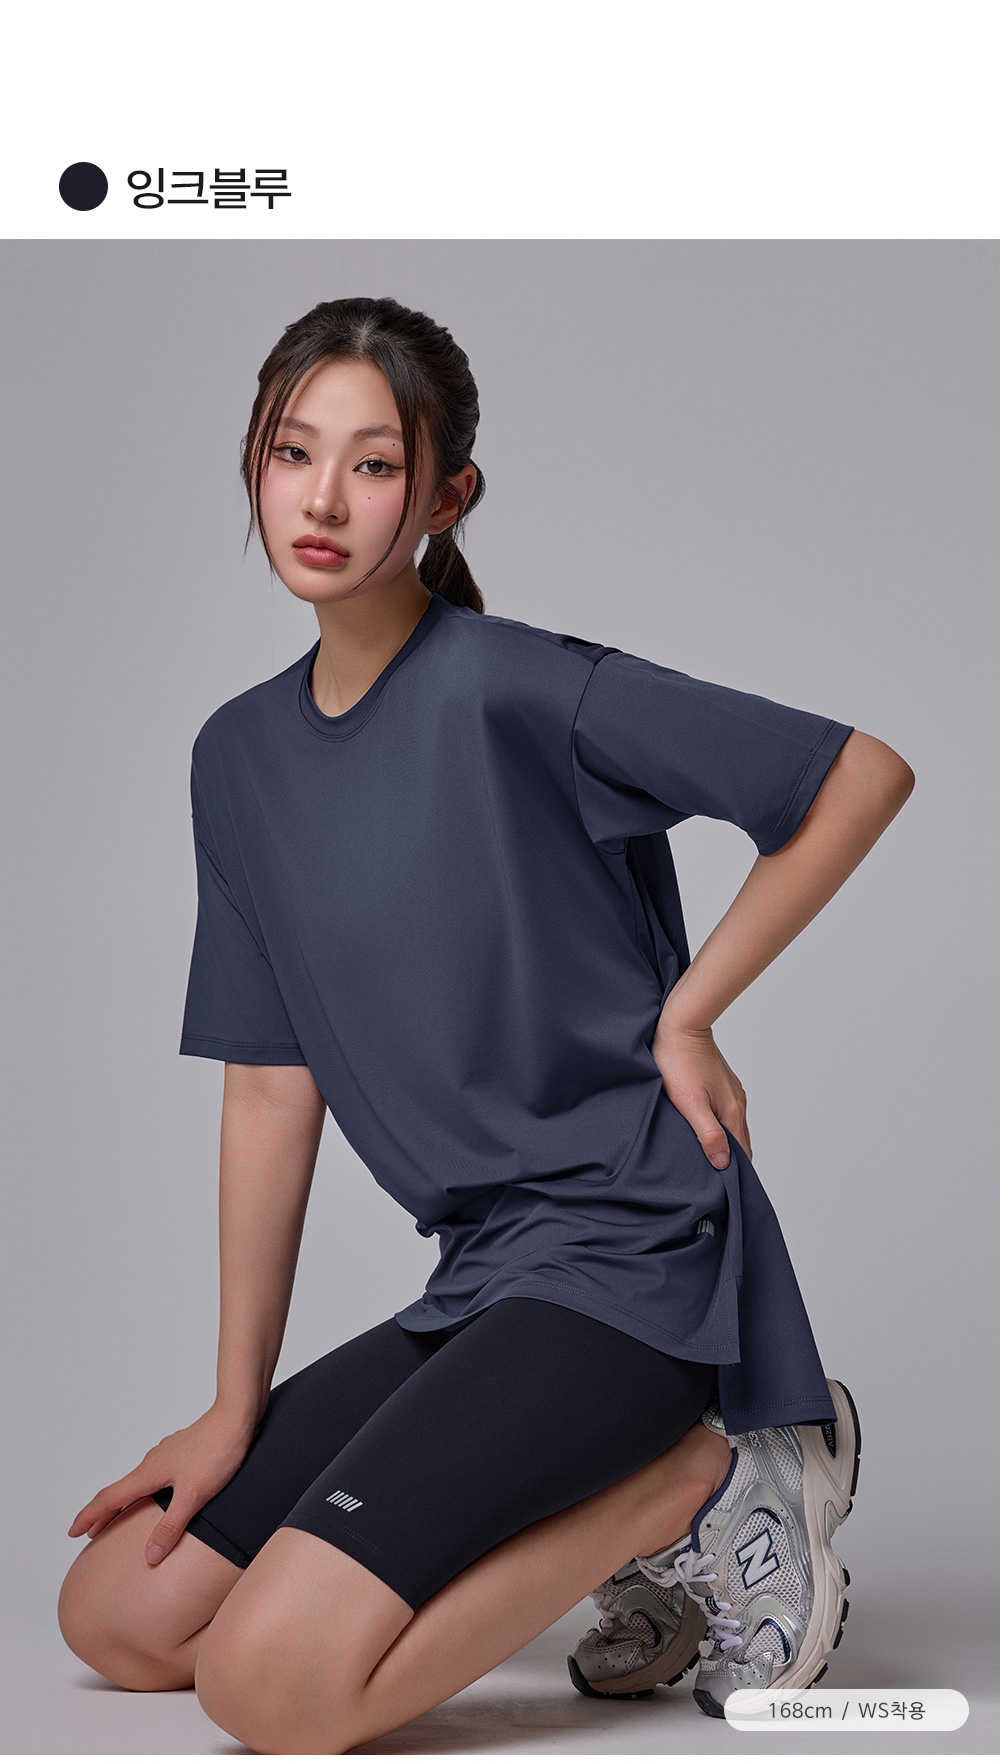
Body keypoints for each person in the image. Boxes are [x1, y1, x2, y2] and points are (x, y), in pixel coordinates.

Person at [57, 295, 912, 1751]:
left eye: (375, 464)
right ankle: (638, 1508)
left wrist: (692, 1013)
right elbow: (270, 1088)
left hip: (632, 1264)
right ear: (253, 466)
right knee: (123, 1615)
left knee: (269, 1689)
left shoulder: (514, 687)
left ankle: (697, 1484)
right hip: (486, 1280)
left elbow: (856, 773)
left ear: (447, 496)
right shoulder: (238, 757)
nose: (323, 500)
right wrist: (230, 1404)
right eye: (292, 452)